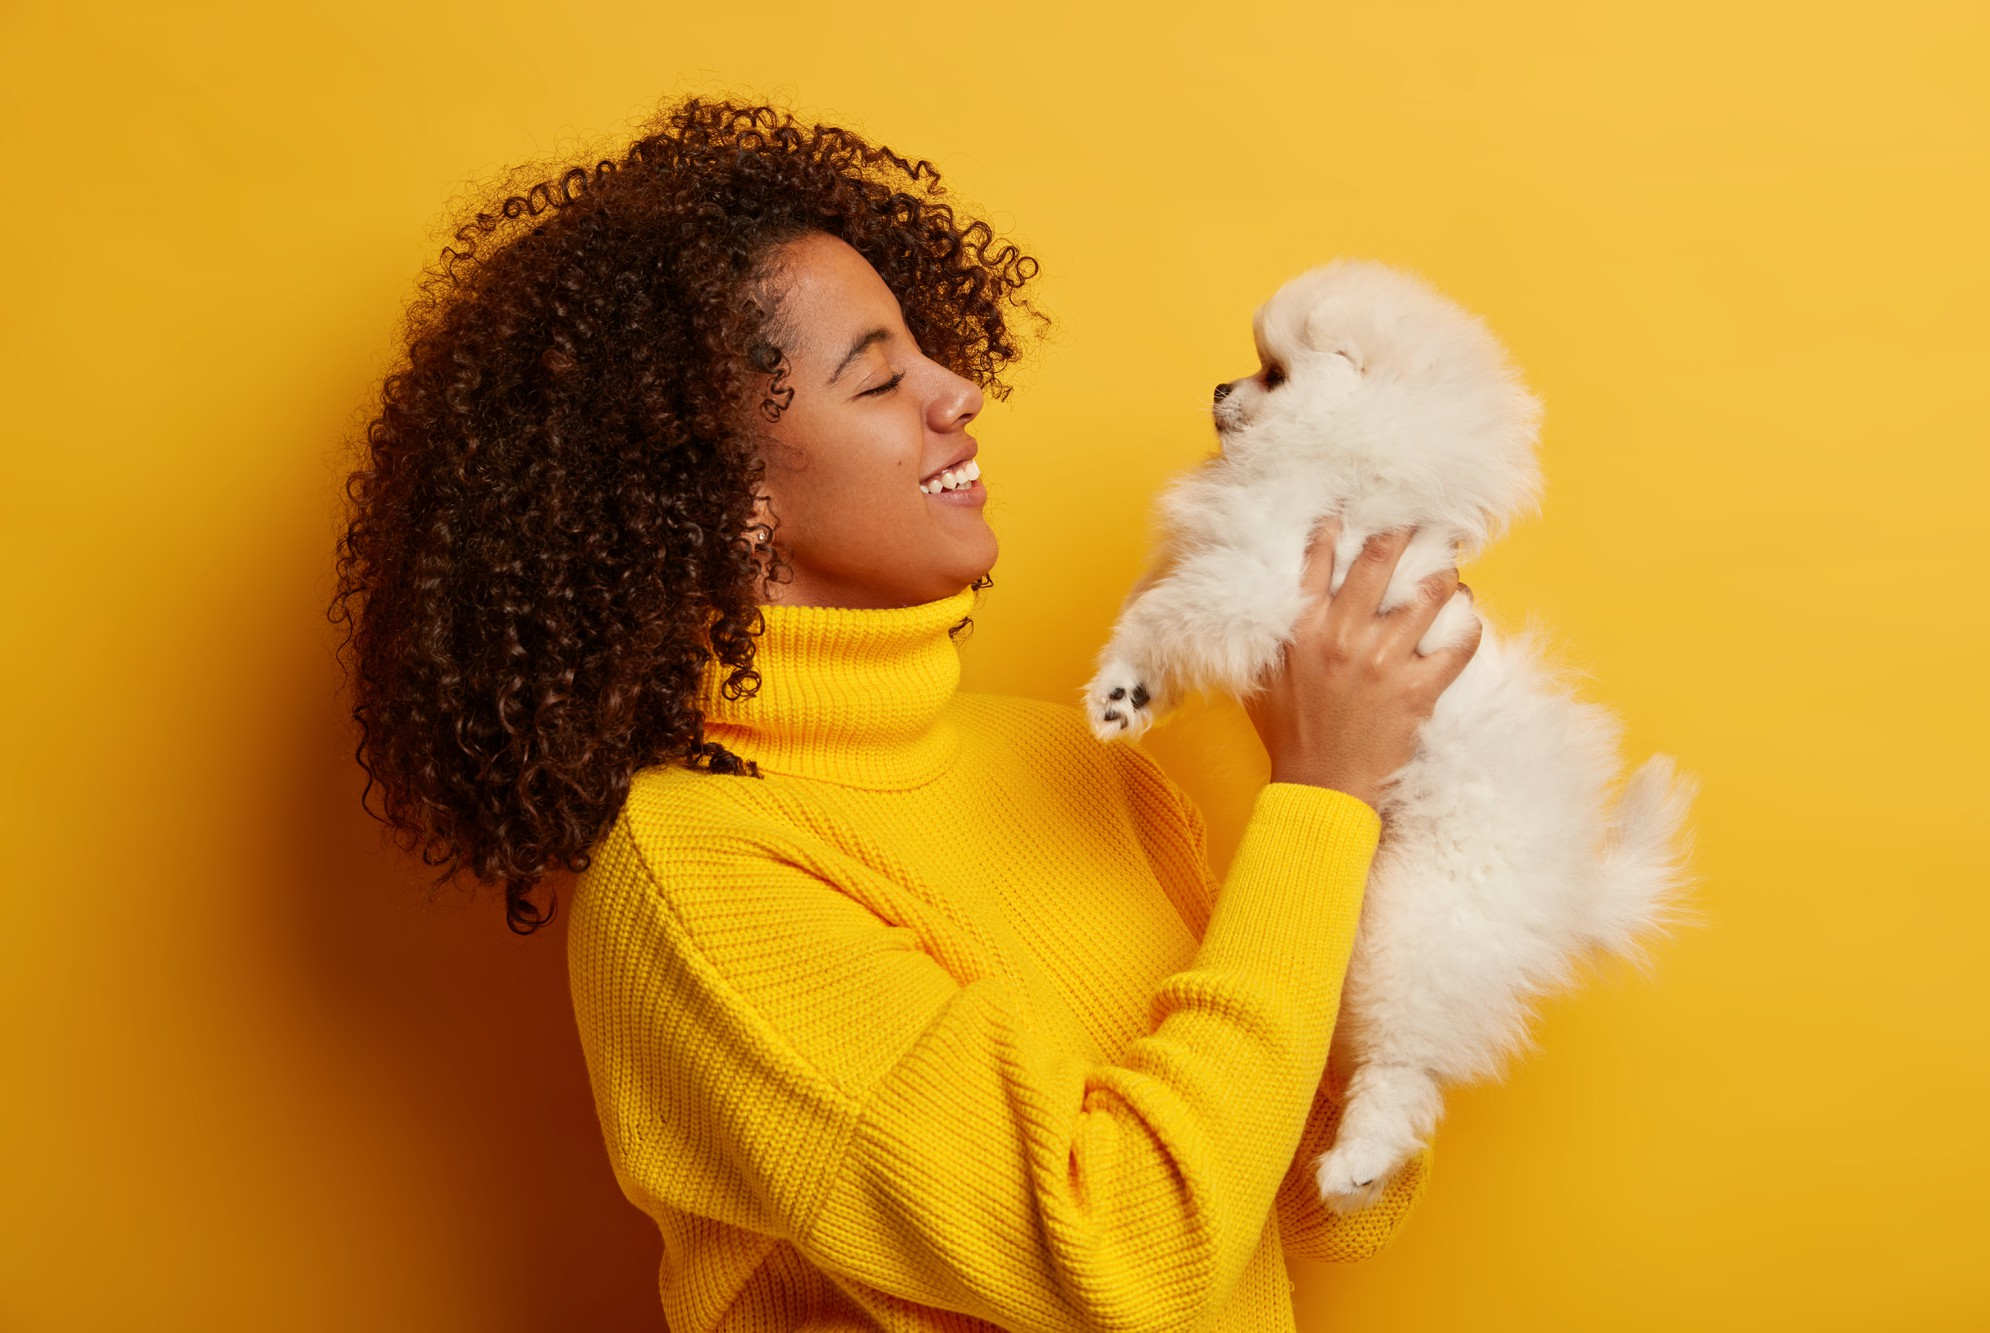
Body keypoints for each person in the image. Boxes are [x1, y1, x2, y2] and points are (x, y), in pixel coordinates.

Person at [331, 94, 1479, 1332]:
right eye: (878, 378)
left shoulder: (1066, 756)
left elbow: (1330, 1207)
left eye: (924, 349)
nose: (959, 389)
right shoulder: (700, 885)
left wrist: (1383, 789)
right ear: (727, 501)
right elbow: (1128, 1265)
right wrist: (1319, 795)